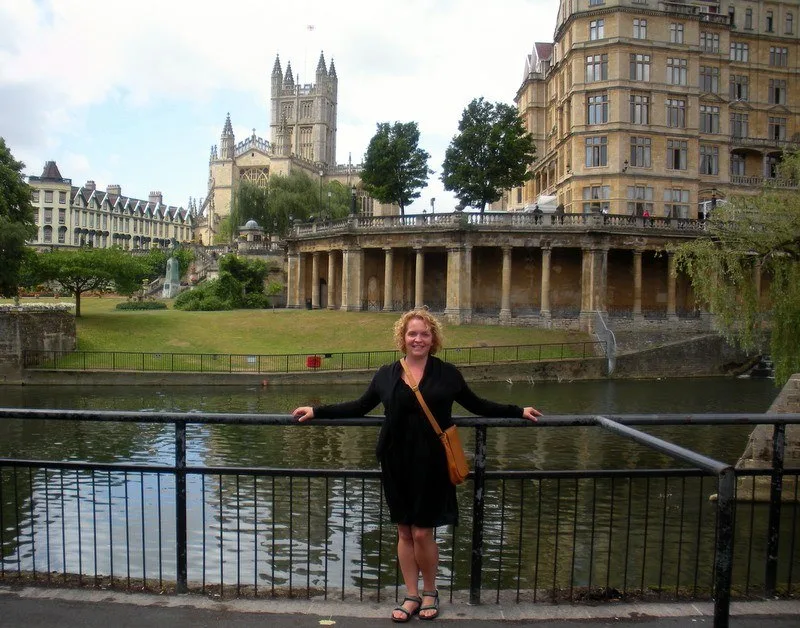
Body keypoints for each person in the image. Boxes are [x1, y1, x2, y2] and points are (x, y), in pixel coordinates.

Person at [292, 308, 541, 622]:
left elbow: (478, 405)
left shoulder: (447, 373)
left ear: (433, 338)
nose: (418, 339)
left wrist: (519, 410)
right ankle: (411, 594)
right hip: (396, 461)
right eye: (412, 333)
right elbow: (359, 406)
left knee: (423, 532)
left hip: (434, 463)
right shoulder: (386, 374)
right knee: (405, 532)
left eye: (424, 333)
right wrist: (317, 411)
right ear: (403, 338)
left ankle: (430, 591)